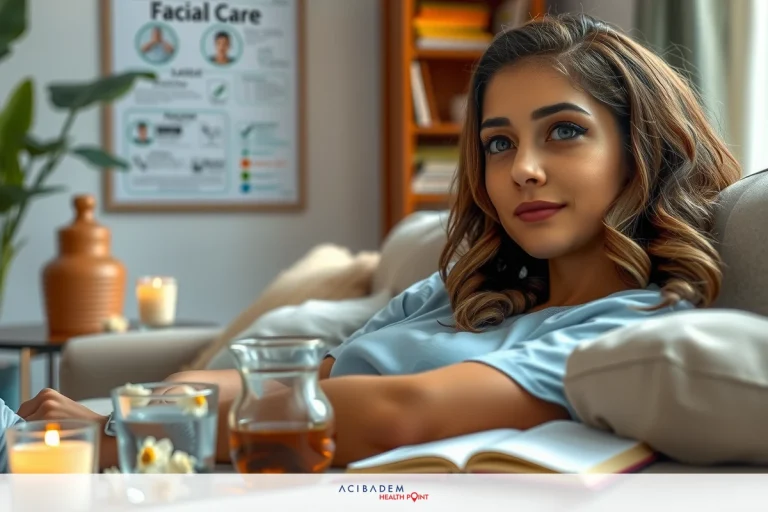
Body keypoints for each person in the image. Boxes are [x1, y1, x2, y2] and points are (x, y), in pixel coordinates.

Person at [17, 13, 741, 471]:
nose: (522, 168)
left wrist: (133, 431)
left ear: (640, 149)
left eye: (565, 131)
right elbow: (307, 379)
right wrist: (151, 403)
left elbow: (403, 411)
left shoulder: (632, 330)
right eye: (498, 142)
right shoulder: (455, 291)